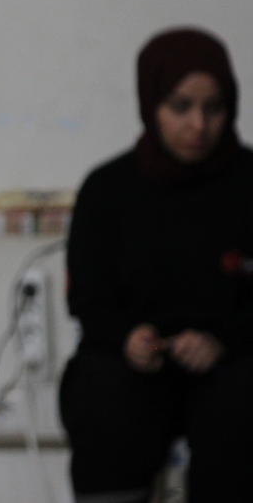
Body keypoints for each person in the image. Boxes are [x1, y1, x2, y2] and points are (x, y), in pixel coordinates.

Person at [61, 28, 253, 503]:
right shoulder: (108, 189)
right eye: (180, 107)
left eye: (214, 108)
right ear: (151, 104)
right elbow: (89, 297)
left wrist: (221, 342)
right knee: (103, 392)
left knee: (244, 402)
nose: (198, 126)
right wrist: (128, 338)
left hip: (231, 362)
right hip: (135, 364)